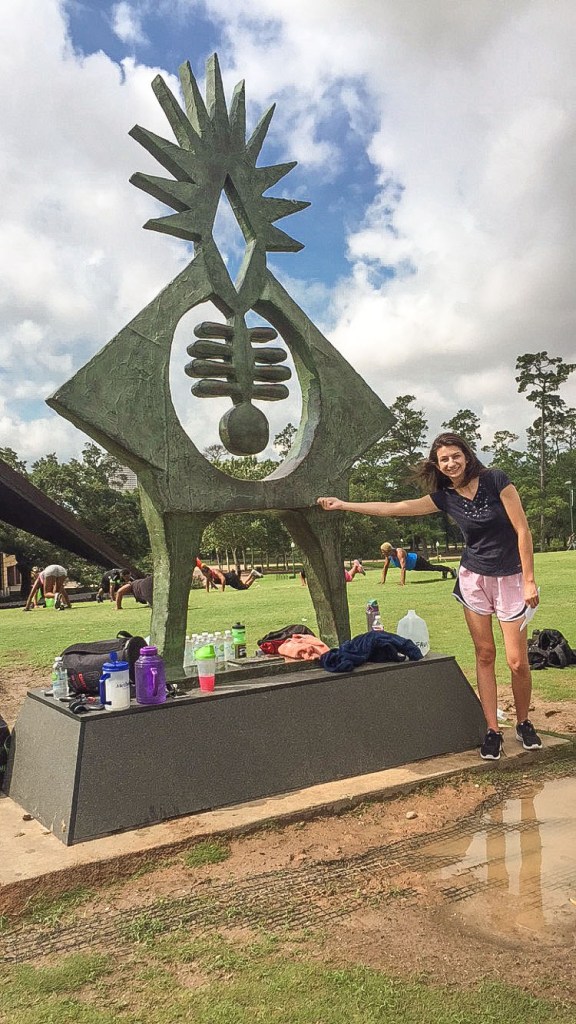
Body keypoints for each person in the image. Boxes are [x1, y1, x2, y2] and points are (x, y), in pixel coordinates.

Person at [317, 431, 542, 762]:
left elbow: (523, 529)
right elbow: (395, 508)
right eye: (443, 460)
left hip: (511, 578)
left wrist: (529, 580)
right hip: (473, 579)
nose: (451, 463)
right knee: (484, 654)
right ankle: (492, 730)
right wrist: (344, 505)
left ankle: (523, 722)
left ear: (466, 455)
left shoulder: (496, 480)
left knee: (517, 661)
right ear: (437, 465)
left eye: (455, 456)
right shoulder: (446, 496)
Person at [380, 542, 457, 585]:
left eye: (384, 552)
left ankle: (451, 570)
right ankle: (445, 571)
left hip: (417, 561)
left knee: (431, 568)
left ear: (389, 550)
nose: (383, 553)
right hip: (413, 567)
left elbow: (403, 567)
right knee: (432, 568)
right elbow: (385, 567)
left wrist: (402, 583)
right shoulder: (388, 555)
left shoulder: (399, 552)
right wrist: (382, 581)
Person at [196, 559, 263, 592]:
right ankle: (252, 573)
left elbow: (223, 579)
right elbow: (208, 582)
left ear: (207, 571)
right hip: (231, 578)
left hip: (231, 578)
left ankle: (254, 577)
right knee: (243, 584)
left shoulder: (214, 571)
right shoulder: (209, 575)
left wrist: (222, 590)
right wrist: (207, 591)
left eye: (204, 574)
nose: (205, 576)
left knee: (244, 587)